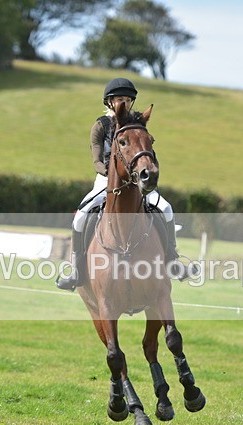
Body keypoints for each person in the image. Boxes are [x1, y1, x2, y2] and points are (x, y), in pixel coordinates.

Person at [56, 77, 191, 291]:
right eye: (120, 99)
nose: (124, 104)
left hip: (136, 183)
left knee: (166, 208)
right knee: (81, 217)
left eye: (128, 100)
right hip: (106, 181)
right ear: (109, 102)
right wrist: (112, 177)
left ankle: (173, 262)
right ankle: (76, 269)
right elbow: (97, 161)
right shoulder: (100, 125)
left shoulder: (136, 125)